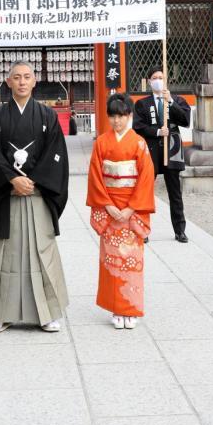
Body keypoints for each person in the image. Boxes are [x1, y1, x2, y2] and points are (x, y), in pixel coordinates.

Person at [0, 60, 69, 334]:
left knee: (43, 253)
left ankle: (48, 313)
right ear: (8, 82)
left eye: (26, 77)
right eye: (16, 77)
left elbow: (56, 155)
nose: (21, 82)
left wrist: (32, 181)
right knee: (7, 255)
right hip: (7, 197)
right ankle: (3, 313)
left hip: (38, 196)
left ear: (34, 82)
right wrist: (11, 179)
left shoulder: (47, 116)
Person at [87, 93, 156, 329]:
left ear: (129, 116)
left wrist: (130, 209)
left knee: (131, 260)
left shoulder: (138, 143)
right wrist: (107, 205)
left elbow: (146, 178)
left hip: (130, 210)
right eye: (113, 116)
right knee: (112, 260)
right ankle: (116, 309)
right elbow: (96, 176)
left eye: (121, 116)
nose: (117, 121)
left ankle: (131, 308)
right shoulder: (101, 143)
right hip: (109, 209)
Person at [132, 67, 190, 242]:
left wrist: (170, 101)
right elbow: (138, 126)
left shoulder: (177, 100)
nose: (158, 80)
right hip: (151, 150)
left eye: (161, 77)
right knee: (145, 190)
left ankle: (180, 230)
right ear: (149, 81)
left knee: (175, 193)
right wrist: (157, 132)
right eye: (155, 78)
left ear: (166, 80)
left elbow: (185, 121)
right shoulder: (143, 104)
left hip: (171, 149)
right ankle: (143, 229)